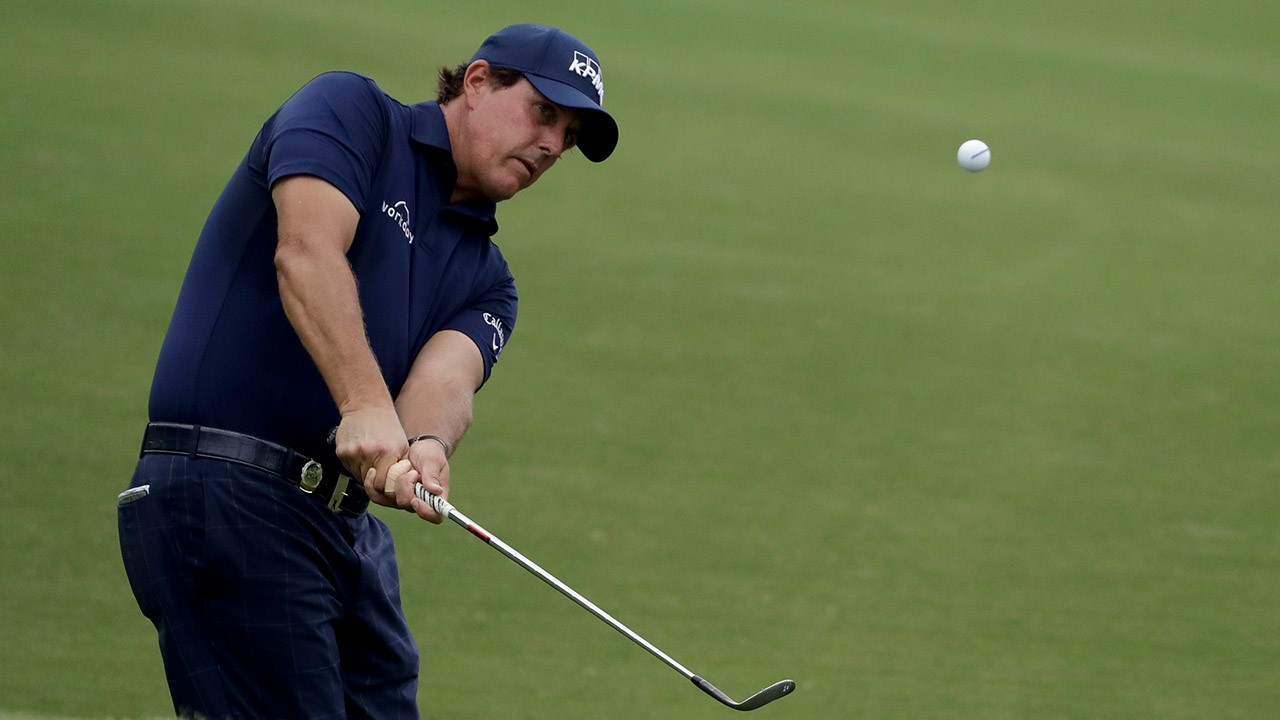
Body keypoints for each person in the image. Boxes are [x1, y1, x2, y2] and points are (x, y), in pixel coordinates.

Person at [116, 23, 617, 719]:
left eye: (569, 136)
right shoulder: (352, 113)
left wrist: (427, 446)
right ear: (477, 83)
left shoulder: (489, 279)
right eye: (543, 112)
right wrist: (364, 405)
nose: (553, 145)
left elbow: (445, 380)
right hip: (228, 491)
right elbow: (306, 251)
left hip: (344, 531)